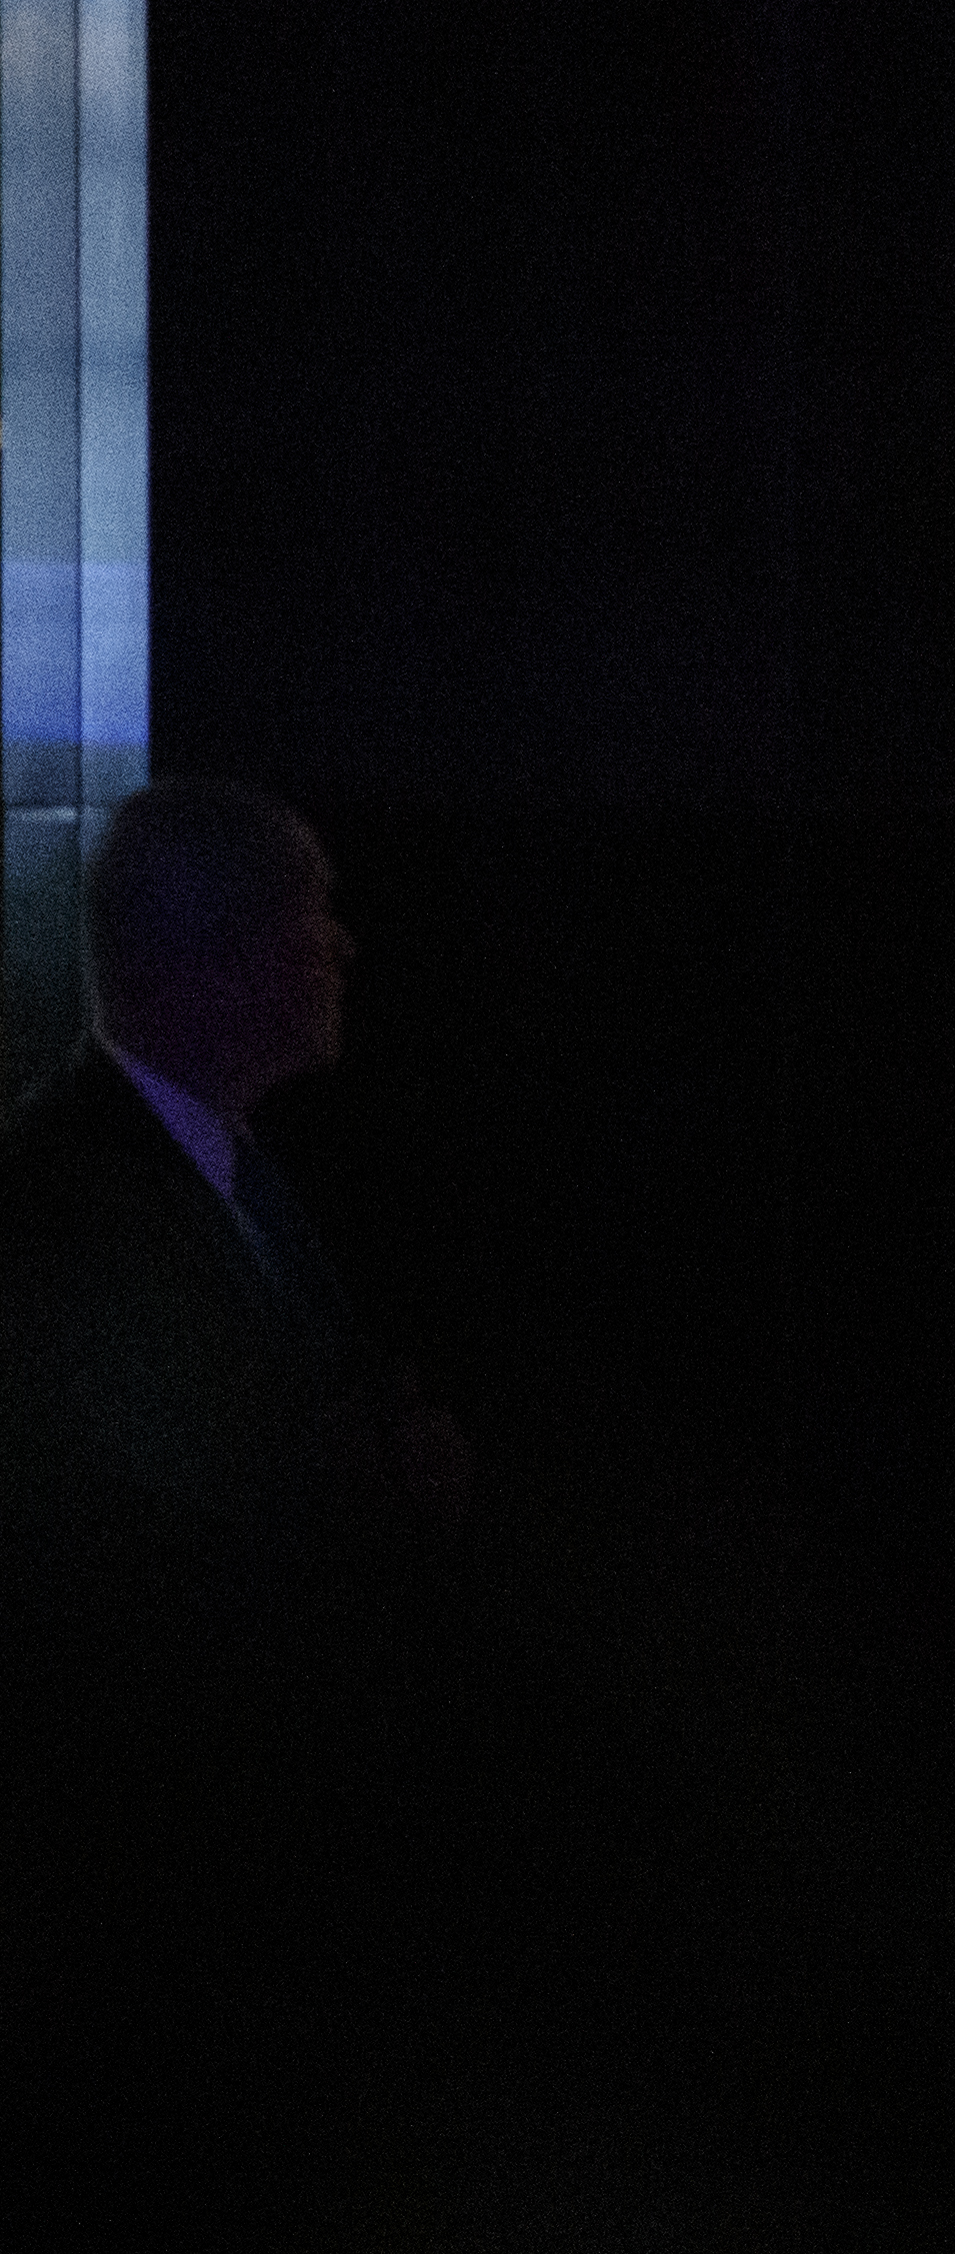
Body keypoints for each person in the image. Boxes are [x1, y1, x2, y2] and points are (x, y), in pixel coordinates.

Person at [0, 779, 470, 2235]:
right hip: (170, 1925)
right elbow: (158, 1541)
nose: (340, 944)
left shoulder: (219, 1170)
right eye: (306, 912)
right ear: (210, 954)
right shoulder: (73, 1204)